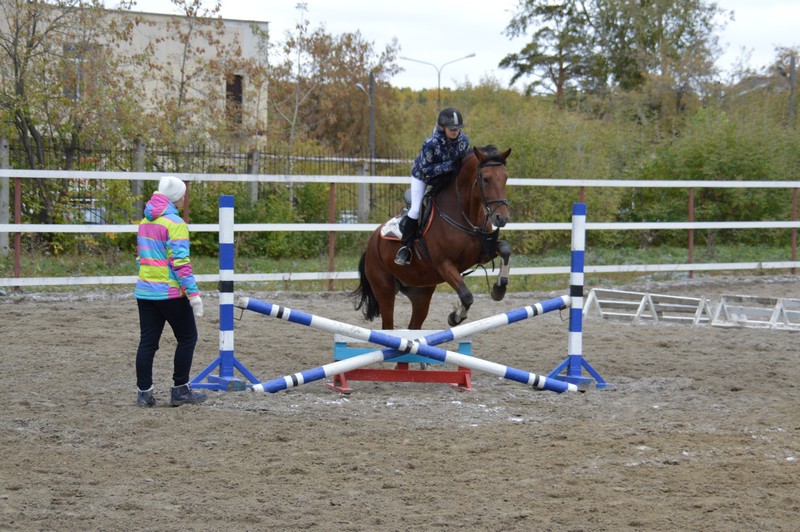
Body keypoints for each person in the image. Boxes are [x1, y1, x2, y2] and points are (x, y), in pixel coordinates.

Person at [134, 175, 208, 407]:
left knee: (148, 343)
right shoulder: (176, 224)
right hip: (170, 294)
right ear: (176, 198)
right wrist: (194, 295)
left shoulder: (145, 223)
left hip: (145, 292)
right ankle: (180, 390)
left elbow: (140, 259)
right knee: (187, 338)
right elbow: (180, 264)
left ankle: (144, 394)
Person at [395, 107, 471, 265]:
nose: (455, 132)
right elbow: (426, 169)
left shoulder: (464, 141)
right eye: (452, 129)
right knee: (416, 209)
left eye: (457, 129)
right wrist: (450, 166)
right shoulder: (430, 144)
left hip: (447, 178)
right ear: (443, 127)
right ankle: (405, 248)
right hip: (423, 177)